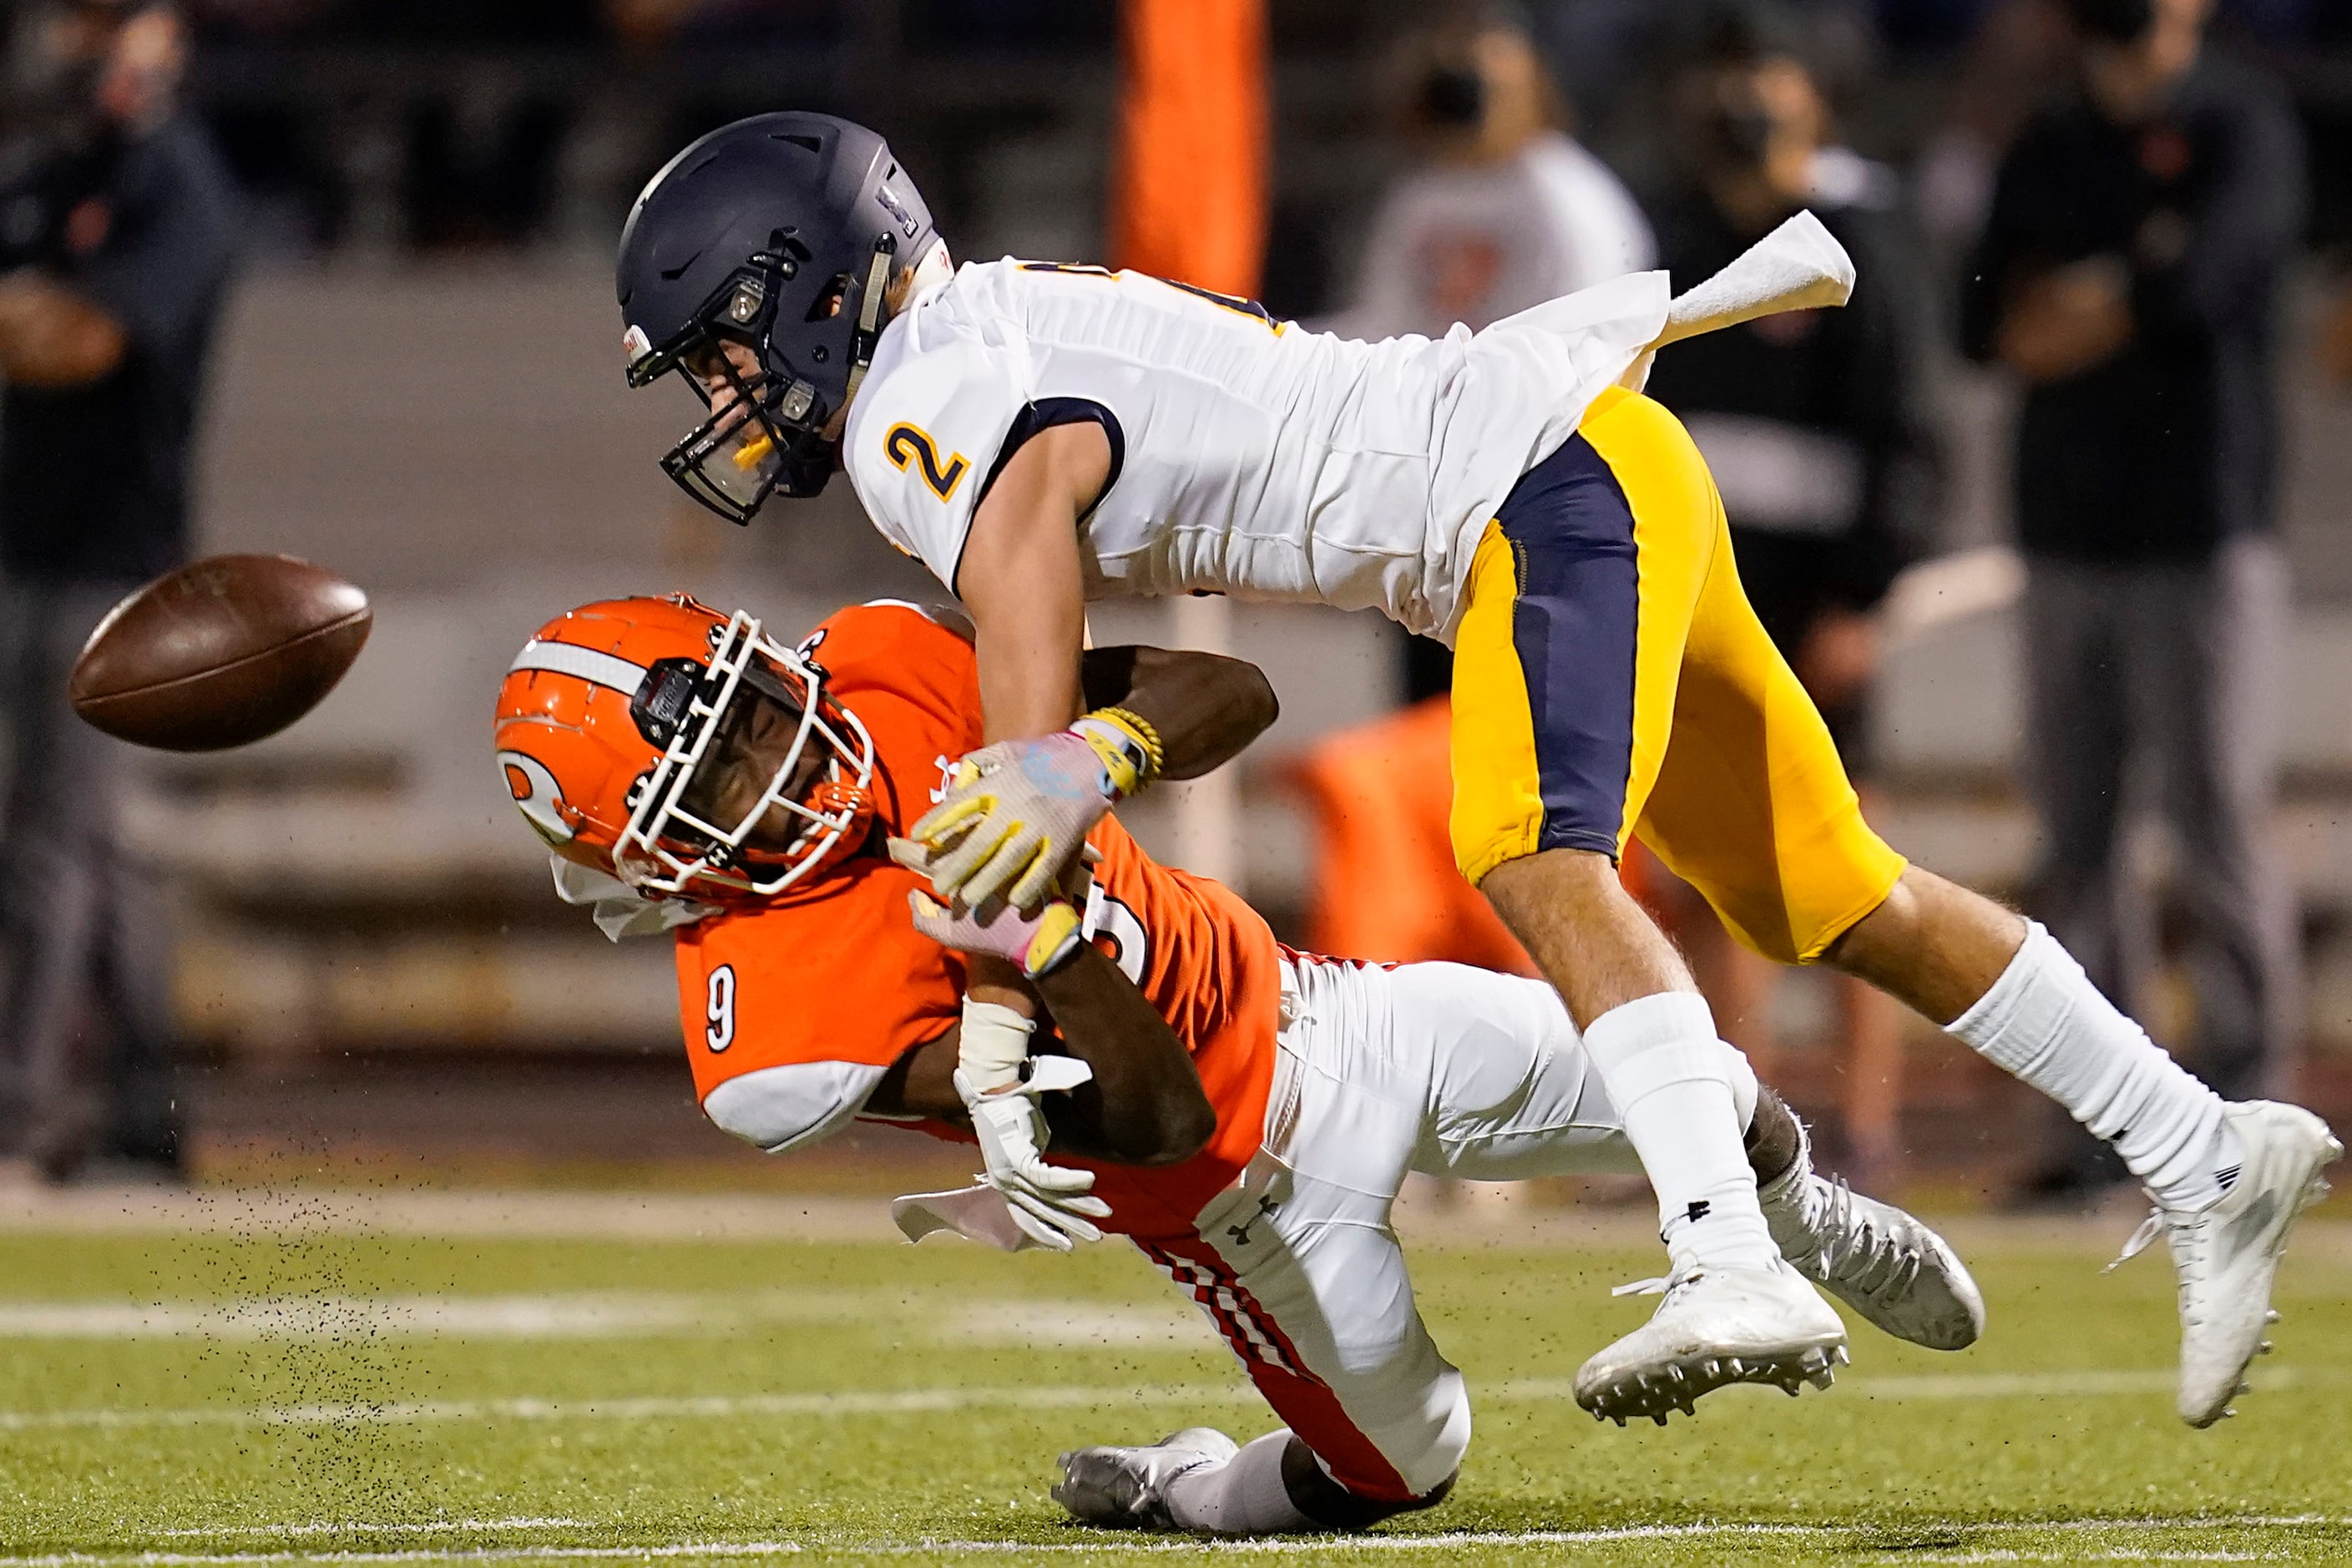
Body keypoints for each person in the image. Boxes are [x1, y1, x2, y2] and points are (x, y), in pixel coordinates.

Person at [609, 112, 2336, 1429]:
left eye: (732, 348)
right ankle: (2198, 1145)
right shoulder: (968, 337)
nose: (736, 401)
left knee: (1523, 850)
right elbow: (1064, 699)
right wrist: (1040, 864)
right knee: (1823, 889)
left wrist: (1049, 796)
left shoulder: (932, 401)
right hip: (1582, 464)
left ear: (808, 279)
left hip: (1532, 486)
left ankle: (1726, 1259)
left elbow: (1025, 614)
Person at [490, 591, 1982, 1536]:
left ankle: (1807, 1218)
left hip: (1325, 1008)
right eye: (726, 782)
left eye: (758, 716)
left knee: (1691, 1081)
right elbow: (1155, 1115)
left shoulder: (885, 671)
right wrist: (1043, 934)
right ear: (647, 856)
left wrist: (1088, 758)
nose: (790, 767)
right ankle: (1189, 1481)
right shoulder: (776, 1031)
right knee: (1407, 1466)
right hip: (1236, 1199)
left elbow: (1230, 686)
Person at [1960, 0, 2304, 1209]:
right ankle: (2096, 1124)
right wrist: (2131, 278)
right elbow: (1982, 322)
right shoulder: (2047, 140)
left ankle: (2252, 1108)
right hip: (2064, 533)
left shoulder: (2240, 124)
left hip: (2202, 531)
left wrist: (2088, 301)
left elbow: (2204, 285)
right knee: (2074, 833)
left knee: (2214, 819)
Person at [1636, 7, 1940, 1186]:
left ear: (1815, 95)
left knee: (1844, 857)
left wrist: (1863, 595)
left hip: (1815, 598)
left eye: (1763, 74)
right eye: (1722, 74)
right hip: (1696, 586)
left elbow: (1908, 434)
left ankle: (1866, 1126)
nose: (1741, 99)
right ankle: (1744, 1121)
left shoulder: (1857, 239)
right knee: (1702, 863)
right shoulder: (1666, 234)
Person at [0, 0, 236, 1181]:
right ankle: (146, 1114)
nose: (77, 41)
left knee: (57, 845)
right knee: (99, 849)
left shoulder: (174, 184)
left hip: (115, 566)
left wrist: (42, 317)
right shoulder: (53, 171)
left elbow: (84, 342)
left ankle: (25, 1109)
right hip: (28, 545)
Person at [1319, 11, 1653, 344]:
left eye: (1480, 89)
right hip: (1434, 385)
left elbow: (1591, 330)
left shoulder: (1568, 195)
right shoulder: (1422, 194)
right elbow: (1385, 322)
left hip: (1541, 383)